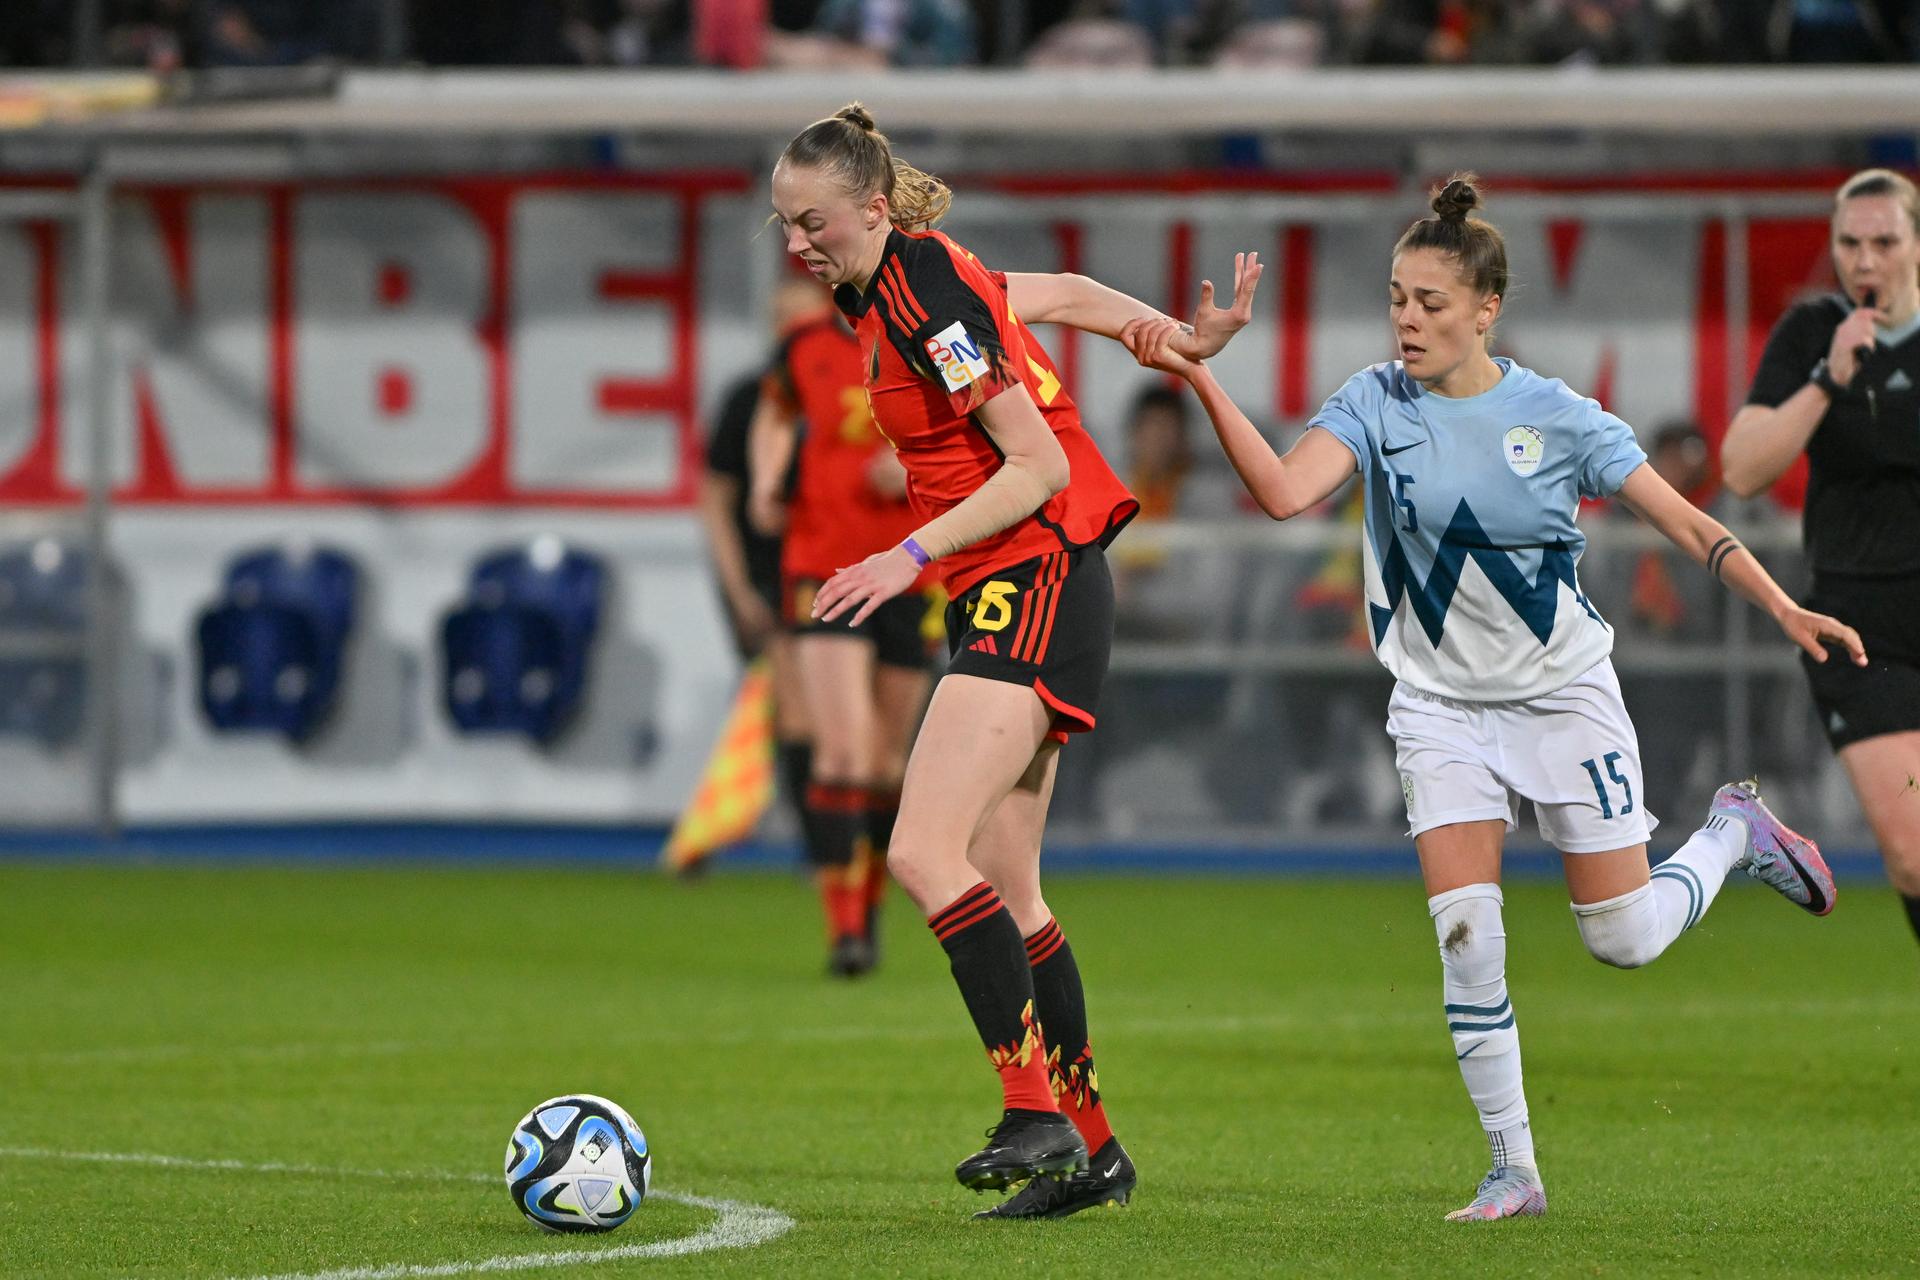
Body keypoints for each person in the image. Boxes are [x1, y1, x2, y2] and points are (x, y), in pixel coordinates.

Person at [1121, 174, 1865, 1222]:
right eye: (1395, 297)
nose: (1407, 320)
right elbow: (1286, 494)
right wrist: (1202, 376)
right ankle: (1514, 1167)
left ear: (1486, 309)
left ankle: (1732, 834)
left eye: (1430, 301)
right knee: (1468, 932)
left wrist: (1787, 608)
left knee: (1624, 937)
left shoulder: (1557, 417)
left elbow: (1690, 524)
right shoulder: (1375, 401)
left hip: (1563, 698)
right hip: (1439, 707)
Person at [770, 102, 1257, 1218]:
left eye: (812, 221)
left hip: (1029, 576)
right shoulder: (915, 276)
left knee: (921, 850)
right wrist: (1167, 337)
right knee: (1009, 883)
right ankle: (1095, 1151)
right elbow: (1069, 297)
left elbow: (1035, 465)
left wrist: (904, 552)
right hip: (1018, 585)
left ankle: (1030, 1104)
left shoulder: (922, 294)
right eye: (785, 222)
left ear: (870, 209)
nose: (795, 240)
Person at [1721, 167, 1920, 957]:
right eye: (1850, 242)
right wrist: (1829, 379)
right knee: (1910, 851)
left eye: (1885, 241)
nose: (1865, 260)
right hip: (1858, 623)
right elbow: (1741, 468)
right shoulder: (1813, 334)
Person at [747, 277, 939, 978]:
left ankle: (870, 910)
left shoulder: (934, 344)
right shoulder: (804, 349)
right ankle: (844, 930)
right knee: (846, 752)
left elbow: (990, 431)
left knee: (889, 762)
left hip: (915, 566)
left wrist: (915, 465)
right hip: (824, 560)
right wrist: (766, 478)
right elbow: (771, 414)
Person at [697, 290, 815, 877]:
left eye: (801, 319)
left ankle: (838, 841)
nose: (788, 331)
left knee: (840, 714)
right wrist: (738, 589)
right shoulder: (749, 399)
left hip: (847, 571)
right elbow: (716, 501)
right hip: (773, 575)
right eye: (780, 319)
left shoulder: (859, 389)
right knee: (795, 703)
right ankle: (822, 846)